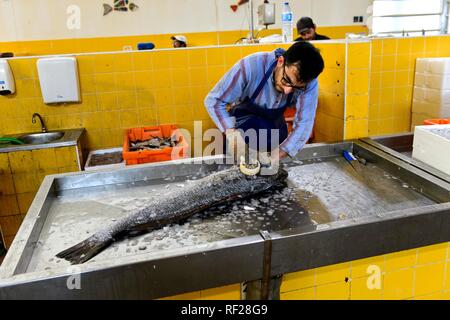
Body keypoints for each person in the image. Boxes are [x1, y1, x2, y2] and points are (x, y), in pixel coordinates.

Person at [204, 41, 324, 169]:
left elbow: (305, 123)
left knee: (272, 179)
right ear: (280, 61)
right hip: (243, 130)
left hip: (275, 130)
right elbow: (214, 101)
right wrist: (232, 135)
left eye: (296, 88)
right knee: (235, 178)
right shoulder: (250, 66)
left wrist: (277, 155)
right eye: (286, 80)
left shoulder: (308, 82)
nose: (287, 91)